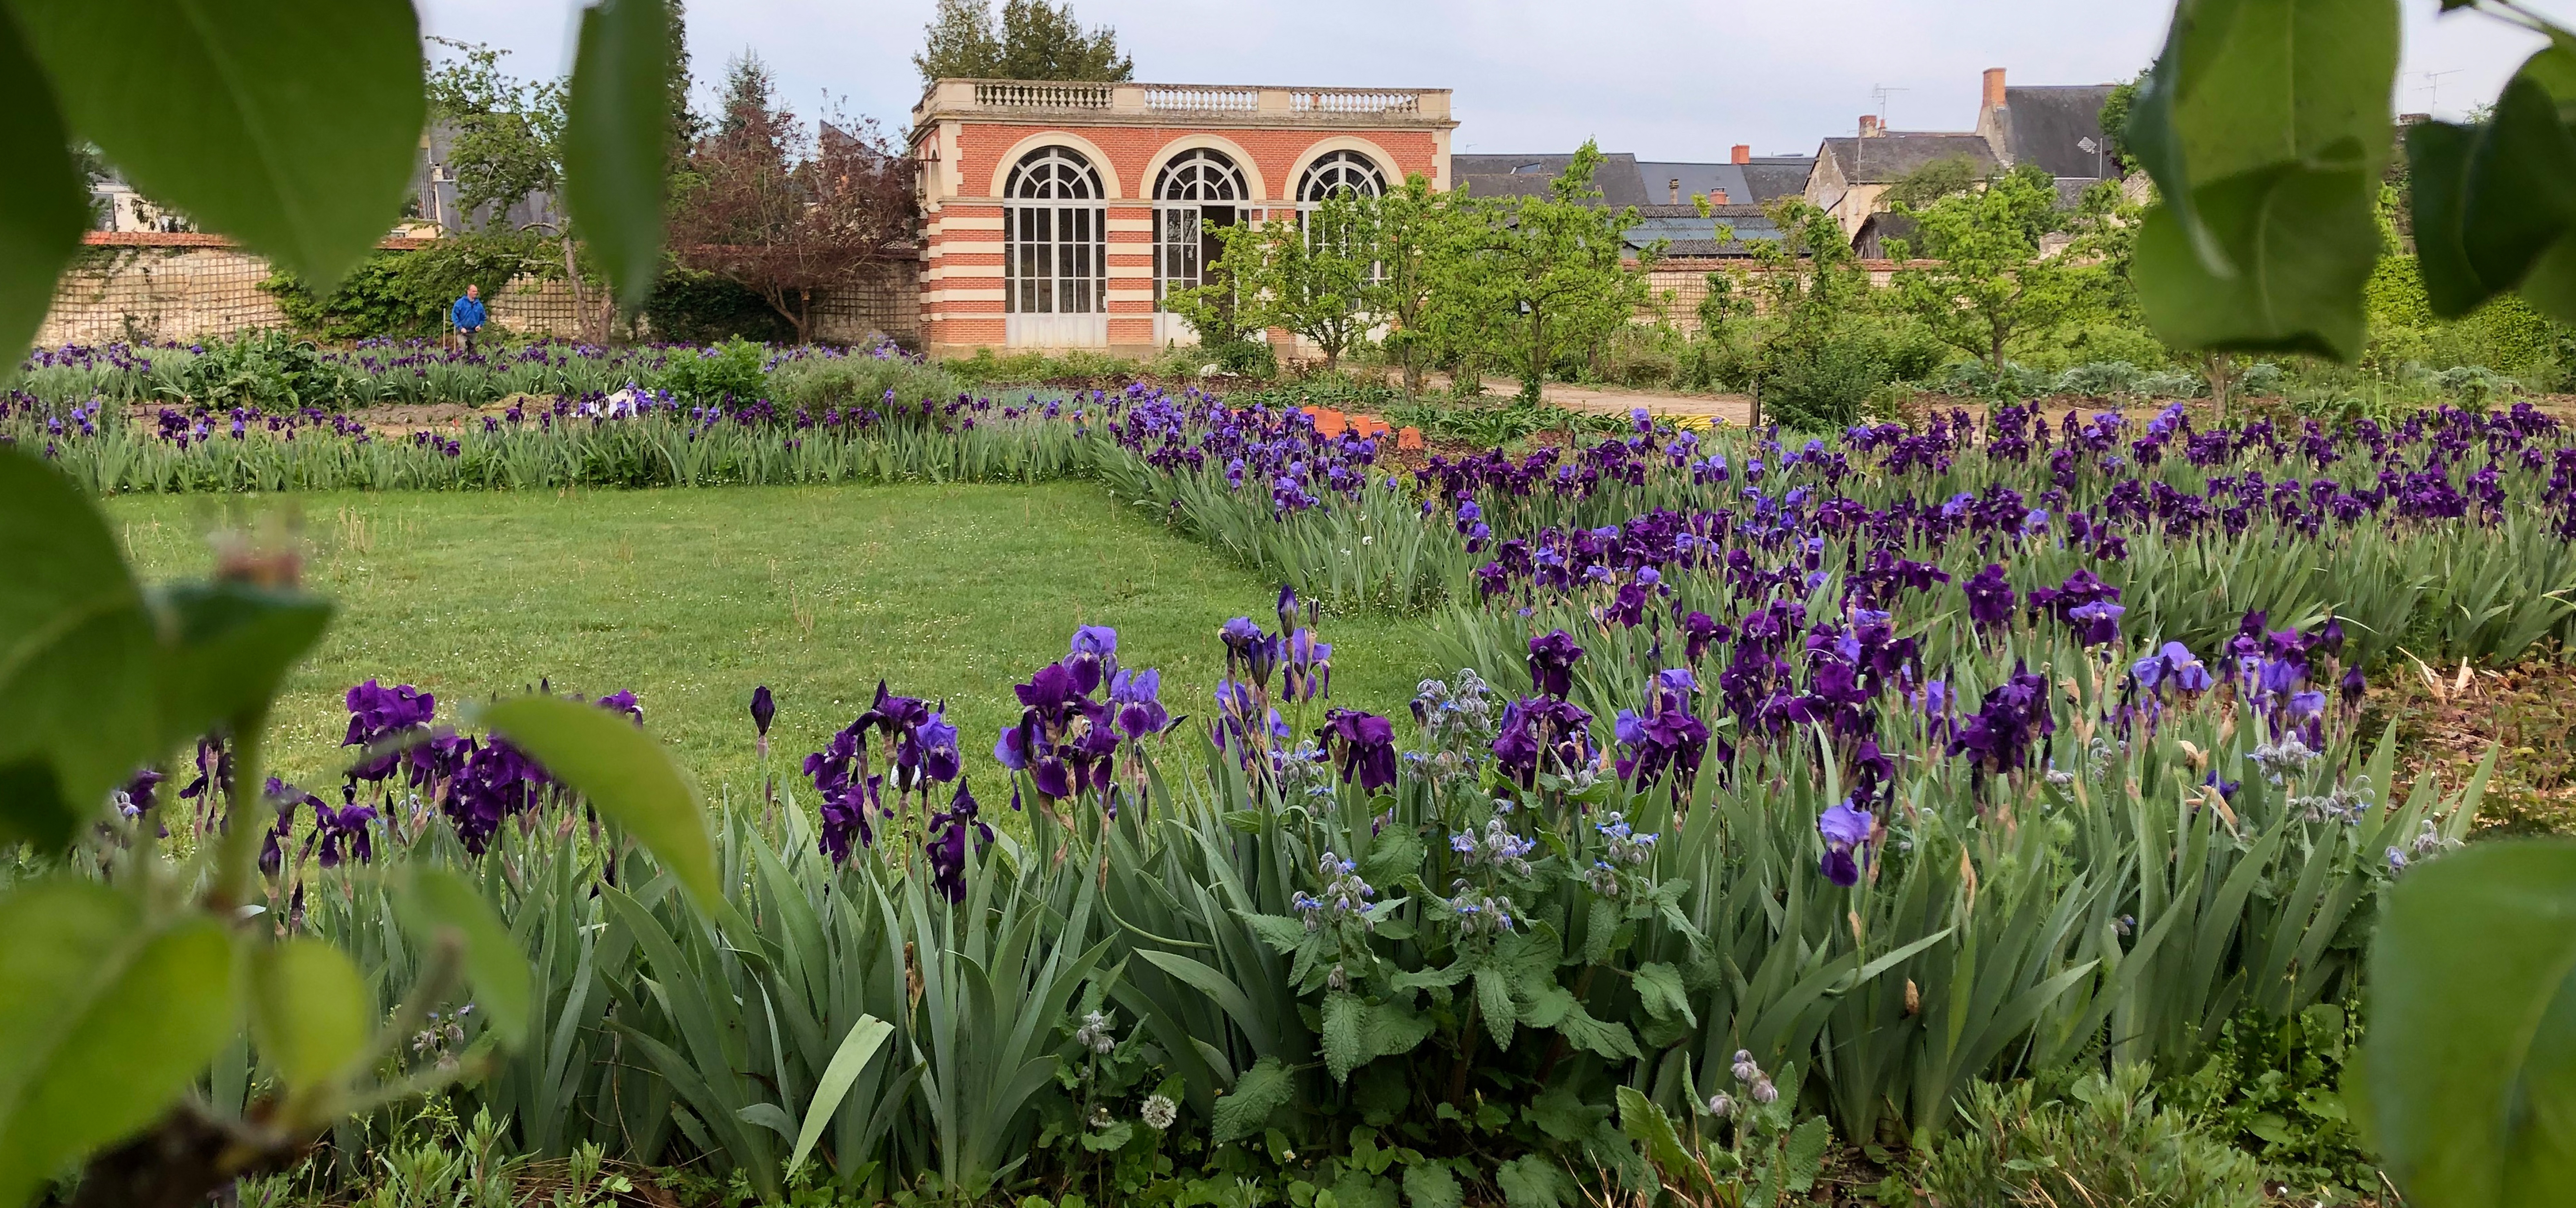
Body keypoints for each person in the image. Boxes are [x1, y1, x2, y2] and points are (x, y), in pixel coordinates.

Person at [451, 284, 487, 355]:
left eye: (476, 292)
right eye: (474, 291)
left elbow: (483, 318)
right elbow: (454, 316)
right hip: (462, 332)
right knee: (462, 348)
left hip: (473, 332)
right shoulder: (460, 303)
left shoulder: (479, 305)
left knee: (472, 352)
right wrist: (460, 327)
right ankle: (460, 364)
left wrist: (480, 326)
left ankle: (470, 365)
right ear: (468, 292)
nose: (475, 293)